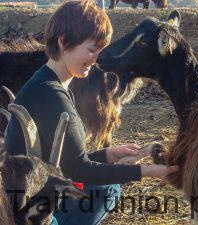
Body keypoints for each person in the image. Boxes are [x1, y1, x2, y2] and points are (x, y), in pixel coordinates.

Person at [4, 1, 178, 224]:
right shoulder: (50, 95)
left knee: (106, 186)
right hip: (32, 213)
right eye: (92, 49)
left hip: (32, 197)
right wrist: (148, 171)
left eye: (101, 50)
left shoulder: (48, 83)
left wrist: (108, 154)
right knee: (108, 190)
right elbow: (78, 170)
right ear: (64, 41)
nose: (97, 59)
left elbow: (67, 163)